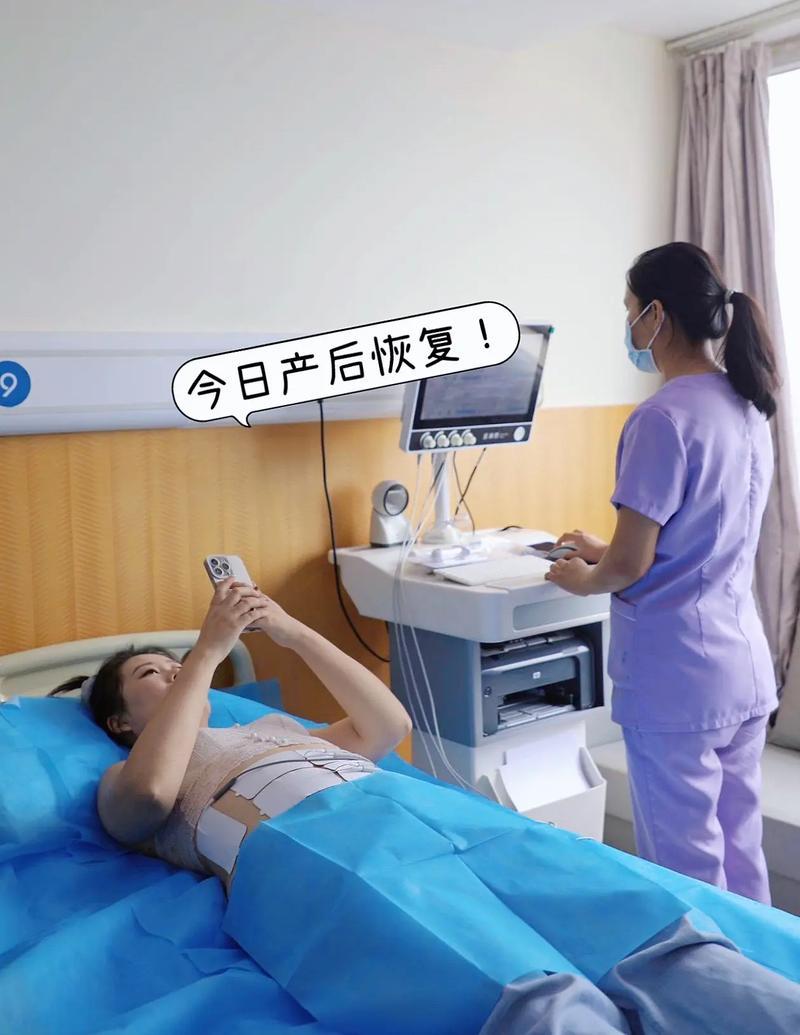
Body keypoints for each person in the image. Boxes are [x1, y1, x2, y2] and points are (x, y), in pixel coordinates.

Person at [49, 574, 800, 1035]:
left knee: (642, 933)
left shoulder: (272, 727)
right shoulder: (126, 778)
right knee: (525, 995)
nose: (177, 671)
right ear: (119, 720)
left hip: (423, 816)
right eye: (153, 673)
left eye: (177, 662)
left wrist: (290, 630)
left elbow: (386, 725)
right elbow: (149, 797)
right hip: (324, 855)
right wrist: (208, 652)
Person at [546, 241, 780, 905]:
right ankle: (760, 966)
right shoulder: (747, 404)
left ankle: (702, 974)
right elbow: (704, 535)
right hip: (742, 669)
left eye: (630, 311)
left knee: (686, 872)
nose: (628, 327)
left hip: (679, 682)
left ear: (656, 315)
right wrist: (606, 548)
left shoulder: (662, 417)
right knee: (741, 853)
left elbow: (630, 564)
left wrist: (582, 576)